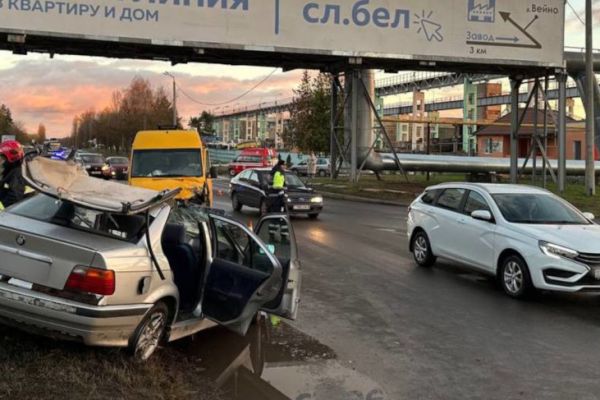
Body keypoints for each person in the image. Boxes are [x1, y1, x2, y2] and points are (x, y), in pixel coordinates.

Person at [0, 140, 26, 210]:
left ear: (10, 158)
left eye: (2, 158)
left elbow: (13, 201)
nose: (0, 161)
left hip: (6, 215)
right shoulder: (10, 171)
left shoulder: (16, 175)